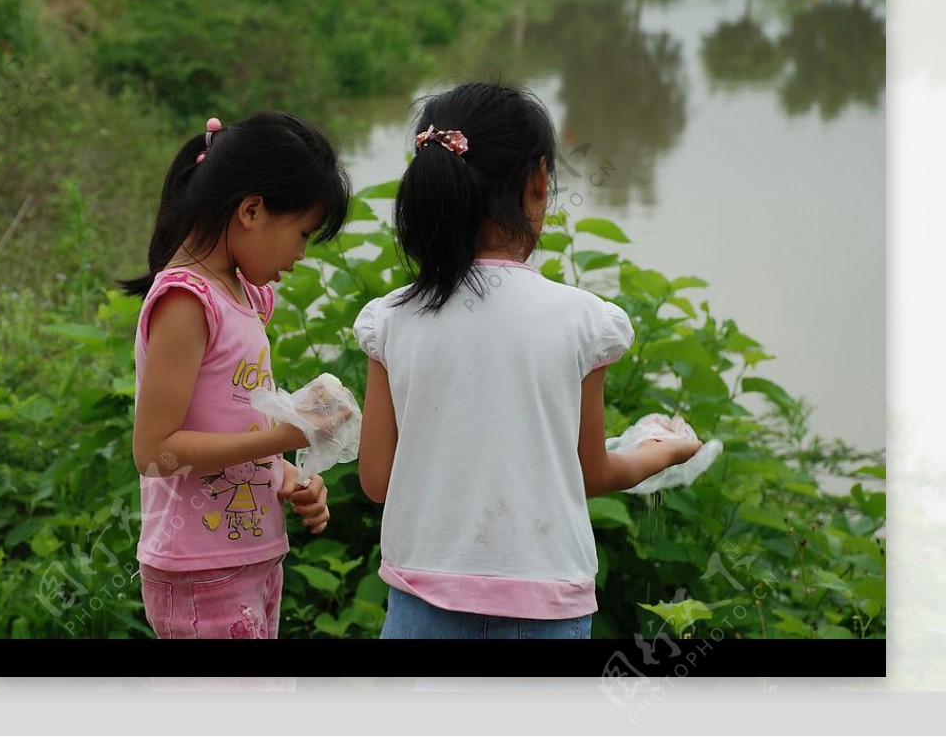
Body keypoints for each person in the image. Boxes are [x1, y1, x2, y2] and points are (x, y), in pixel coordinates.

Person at [352, 83, 701, 639]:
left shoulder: (391, 320)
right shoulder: (583, 322)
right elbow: (593, 471)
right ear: (538, 183)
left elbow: (376, 480)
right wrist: (664, 452)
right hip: (547, 609)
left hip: (421, 603)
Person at [120, 110, 353, 639]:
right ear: (252, 209)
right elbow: (155, 452)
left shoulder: (242, 297)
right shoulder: (186, 300)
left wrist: (286, 475)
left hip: (248, 557)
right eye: (301, 235)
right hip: (199, 569)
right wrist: (281, 436)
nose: (298, 257)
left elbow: (230, 418)